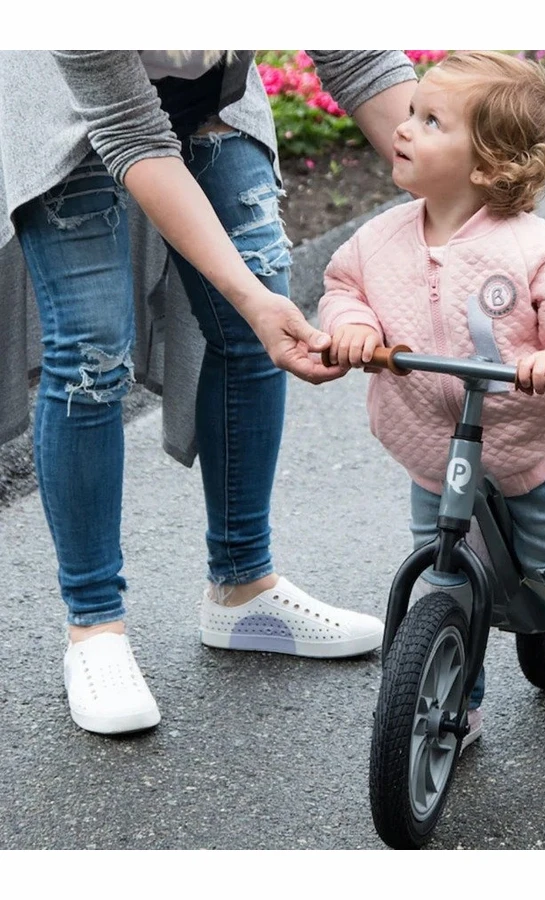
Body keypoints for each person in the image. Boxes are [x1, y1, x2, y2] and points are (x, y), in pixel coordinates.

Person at [0, 50, 417, 735]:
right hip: (68, 96)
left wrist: (479, 204)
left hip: (210, 93)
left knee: (259, 293)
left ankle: (243, 588)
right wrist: (249, 301)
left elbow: (360, 56)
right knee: (91, 350)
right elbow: (135, 135)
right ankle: (94, 629)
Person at [318, 50, 545, 746]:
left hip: (523, 445)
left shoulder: (530, 248)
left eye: (431, 120)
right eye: (411, 112)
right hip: (431, 449)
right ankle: (457, 700)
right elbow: (342, 286)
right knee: (444, 579)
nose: (404, 128)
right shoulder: (381, 238)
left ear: (487, 165)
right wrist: (351, 327)